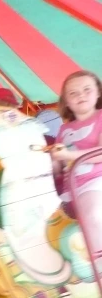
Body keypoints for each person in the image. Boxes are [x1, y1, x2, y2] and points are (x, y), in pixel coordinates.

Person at [52, 69, 102, 259]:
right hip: (71, 189)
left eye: (87, 89)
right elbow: (59, 164)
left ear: (98, 92)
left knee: (93, 215)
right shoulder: (65, 129)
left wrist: (70, 154)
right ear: (66, 101)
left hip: (96, 181)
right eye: (73, 93)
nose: (81, 95)